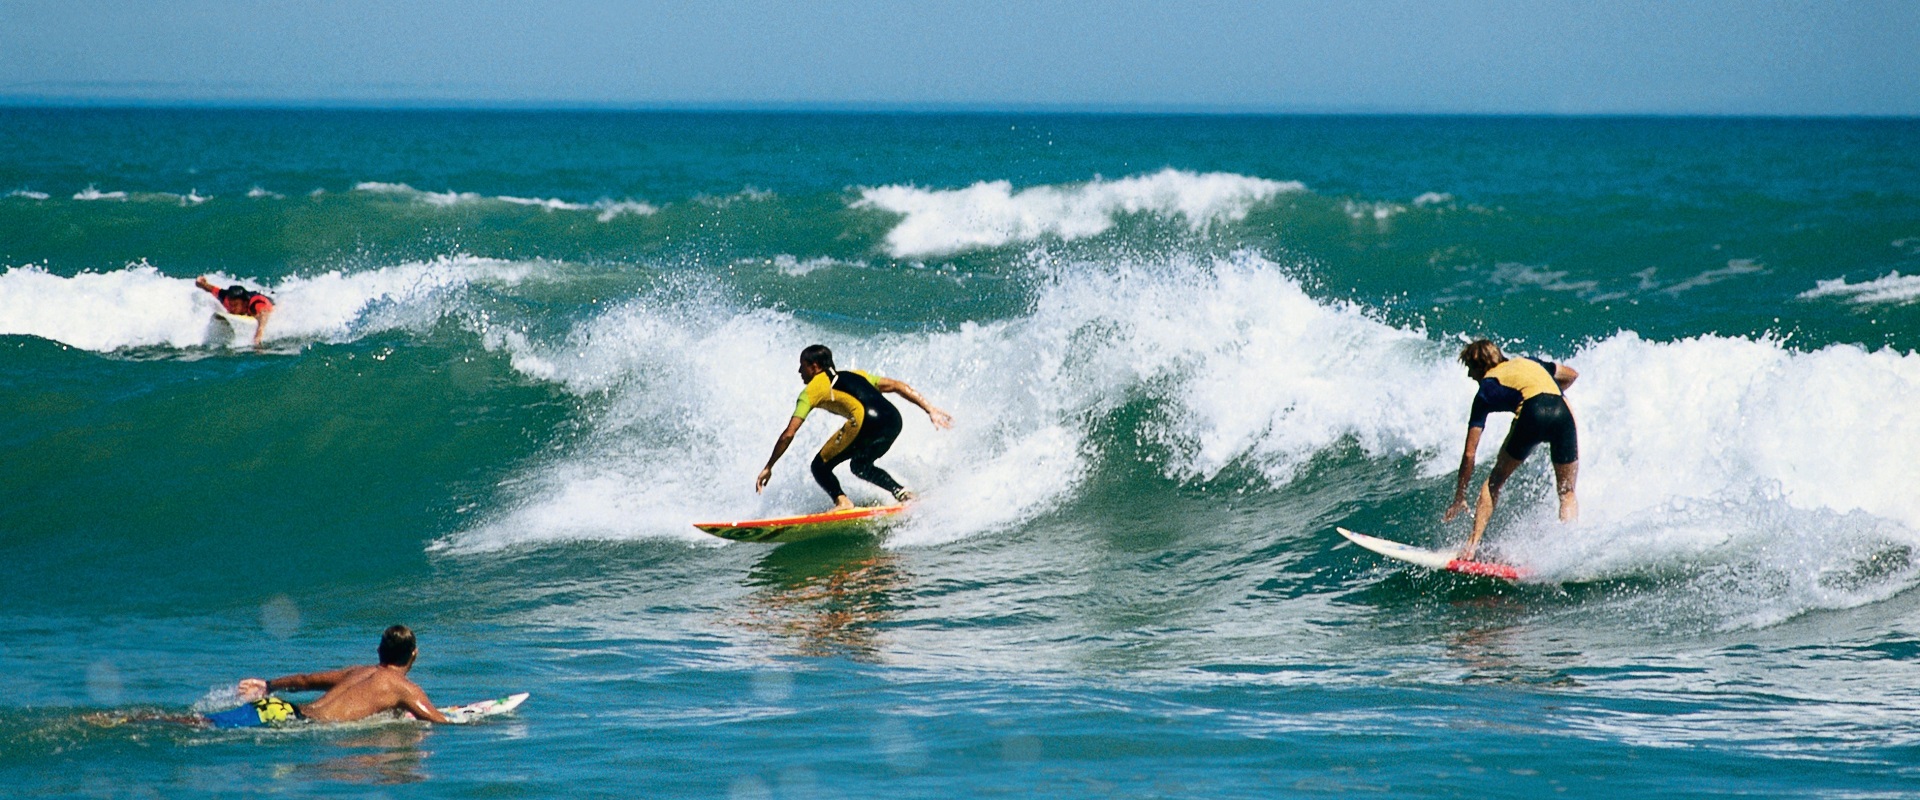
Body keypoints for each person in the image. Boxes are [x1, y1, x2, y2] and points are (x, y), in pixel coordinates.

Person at [756, 344, 952, 511]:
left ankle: (842, 502)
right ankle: (903, 494)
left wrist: (769, 466)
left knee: (819, 466)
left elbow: (788, 434)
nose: (800, 371)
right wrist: (930, 409)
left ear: (814, 367)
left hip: (866, 422)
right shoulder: (857, 375)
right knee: (860, 466)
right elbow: (897, 385)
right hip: (893, 420)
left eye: (802, 366)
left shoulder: (810, 391)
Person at [1442, 339, 1580, 559]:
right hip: (1563, 414)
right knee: (1567, 492)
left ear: (1480, 366)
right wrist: (1552, 393)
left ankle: (1471, 546)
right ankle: (1569, 552)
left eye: (1470, 369)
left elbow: (1469, 453)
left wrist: (1460, 495)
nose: (1470, 376)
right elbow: (1571, 374)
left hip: (1532, 412)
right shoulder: (1530, 362)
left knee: (1494, 482)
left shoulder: (1486, 389)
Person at [206, 625, 450, 728]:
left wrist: (268, 685)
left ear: (379, 651)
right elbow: (439, 723)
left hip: (277, 707)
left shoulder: (357, 672)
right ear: (414, 654)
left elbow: (305, 680)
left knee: (200, 722)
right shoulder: (405, 689)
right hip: (299, 723)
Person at [195, 275, 275, 347]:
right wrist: (201, 283)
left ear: (245, 304)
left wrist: (259, 332)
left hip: (270, 301)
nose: (232, 308)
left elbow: (264, 314)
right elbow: (212, 289)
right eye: (230, 305)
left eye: (235, 305)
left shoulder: (255, 304)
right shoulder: (227, 299)